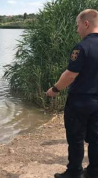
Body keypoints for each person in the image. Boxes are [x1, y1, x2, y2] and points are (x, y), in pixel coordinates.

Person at [46, 9, 98, 178]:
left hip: (80, 101)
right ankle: (94, 171)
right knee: (96, 138)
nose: (77, 30)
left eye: (77, 26)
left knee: (76, 138)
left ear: (86, 24)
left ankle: (74, 172)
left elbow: (70, 74)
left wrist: (54, 90)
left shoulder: (82, 47)